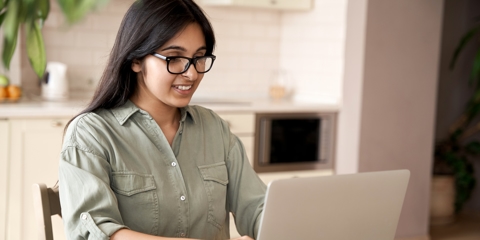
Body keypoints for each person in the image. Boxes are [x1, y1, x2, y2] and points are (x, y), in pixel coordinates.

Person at [58, 0, 267, 239]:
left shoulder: (215, 129)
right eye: (174, 57)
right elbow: (96, 232)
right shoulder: (92, 133)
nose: (192, 73)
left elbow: (256, 208)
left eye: (199, 57)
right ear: (136, 59)